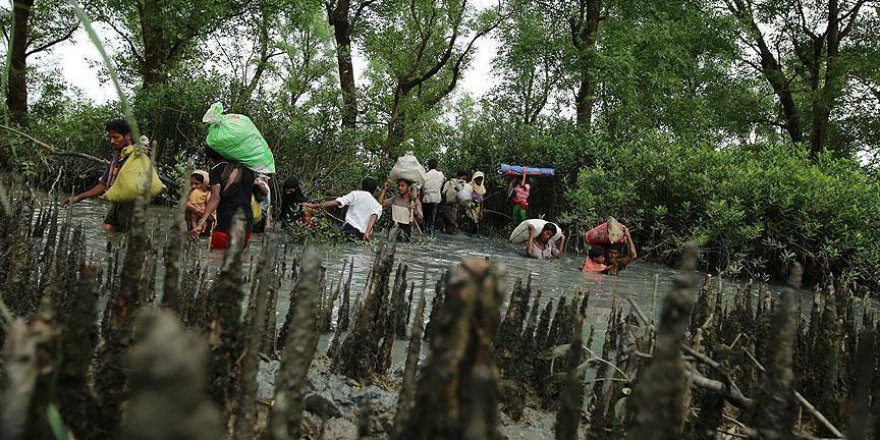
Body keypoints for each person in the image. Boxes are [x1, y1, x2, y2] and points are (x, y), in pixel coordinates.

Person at [62, 119, 140, 232]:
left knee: (129, 237)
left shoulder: (136, 157)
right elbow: (103, 184)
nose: (112, 141)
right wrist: (78, 198)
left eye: (116, 137)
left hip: (131, 207)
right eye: (110, 138)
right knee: (107, 230)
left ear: (127, 136)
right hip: (117, 204)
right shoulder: (117, 157)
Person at [190, 147, 256, 250]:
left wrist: (202, 221)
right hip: (246, 226)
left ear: (211, 158)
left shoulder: (217, 169)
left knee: (215, 262)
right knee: (236, 262)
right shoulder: (249, 169)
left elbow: (215, 198)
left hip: (225, 226)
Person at [302, 178, 382, 242]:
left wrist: (313, 205)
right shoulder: (377, 205)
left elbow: (337, 203)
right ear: (374, 190)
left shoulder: (356, 194)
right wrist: (367, 233)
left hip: (349, 229)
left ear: (362, 186)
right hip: (362, 235)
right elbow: (373, 217)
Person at [421, 159, 444, 235]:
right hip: (436, 199)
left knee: (425, 219)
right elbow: (443, 182)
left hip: (426, 199)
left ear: (428, 166)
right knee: (433, 221)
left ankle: (424, 233)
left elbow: (421, 188)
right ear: (437, 165)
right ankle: (431, 235)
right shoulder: (440, 174)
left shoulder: (425, 175)